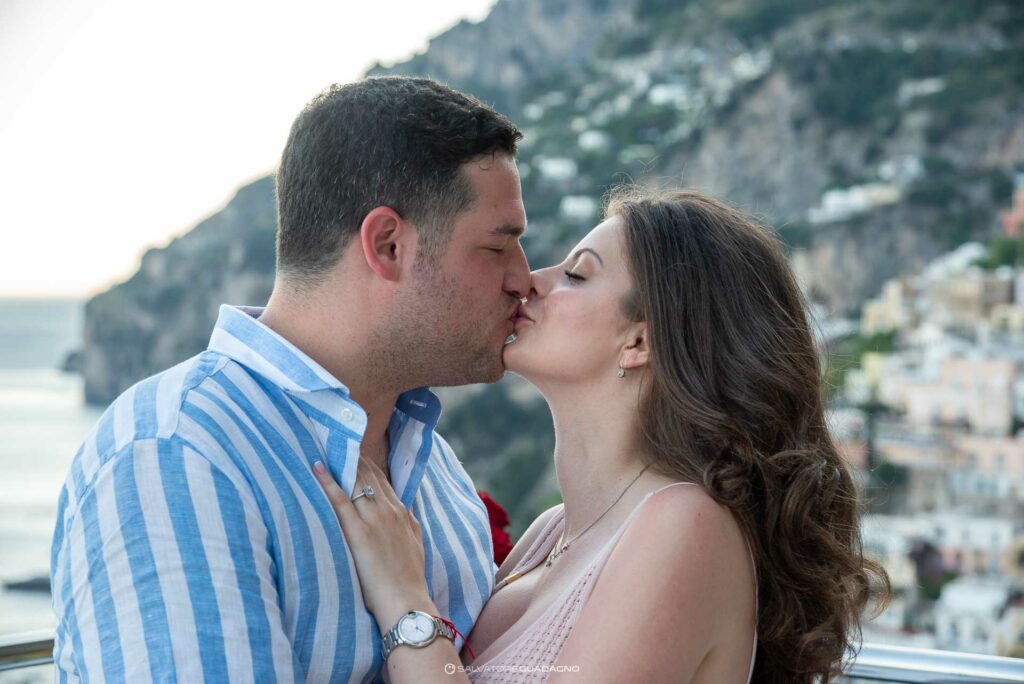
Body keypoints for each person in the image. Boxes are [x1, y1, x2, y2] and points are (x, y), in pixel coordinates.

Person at [50, 76, 530, 682]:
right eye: (498, 247)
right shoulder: (177, 456)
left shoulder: (434, 466)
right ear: (387, 245)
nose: (524, 279)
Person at [314, 187, 891, 683]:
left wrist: (404, 602)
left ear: (640, 341)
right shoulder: (551, 532)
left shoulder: (686, 526)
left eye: (576, 274)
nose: (528, 282)